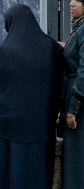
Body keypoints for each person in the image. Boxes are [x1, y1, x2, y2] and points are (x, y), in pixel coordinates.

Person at [0, 4, 63, 189]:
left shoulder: (5, 50)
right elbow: (60, 83)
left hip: (7, 128)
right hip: (40, 127)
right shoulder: (51, 47)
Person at [62, 0, 84, 188]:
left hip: (79, 99)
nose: (71, 3)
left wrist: (73, 108)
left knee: (77, 157)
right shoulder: (79, 27)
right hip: (74, 92)